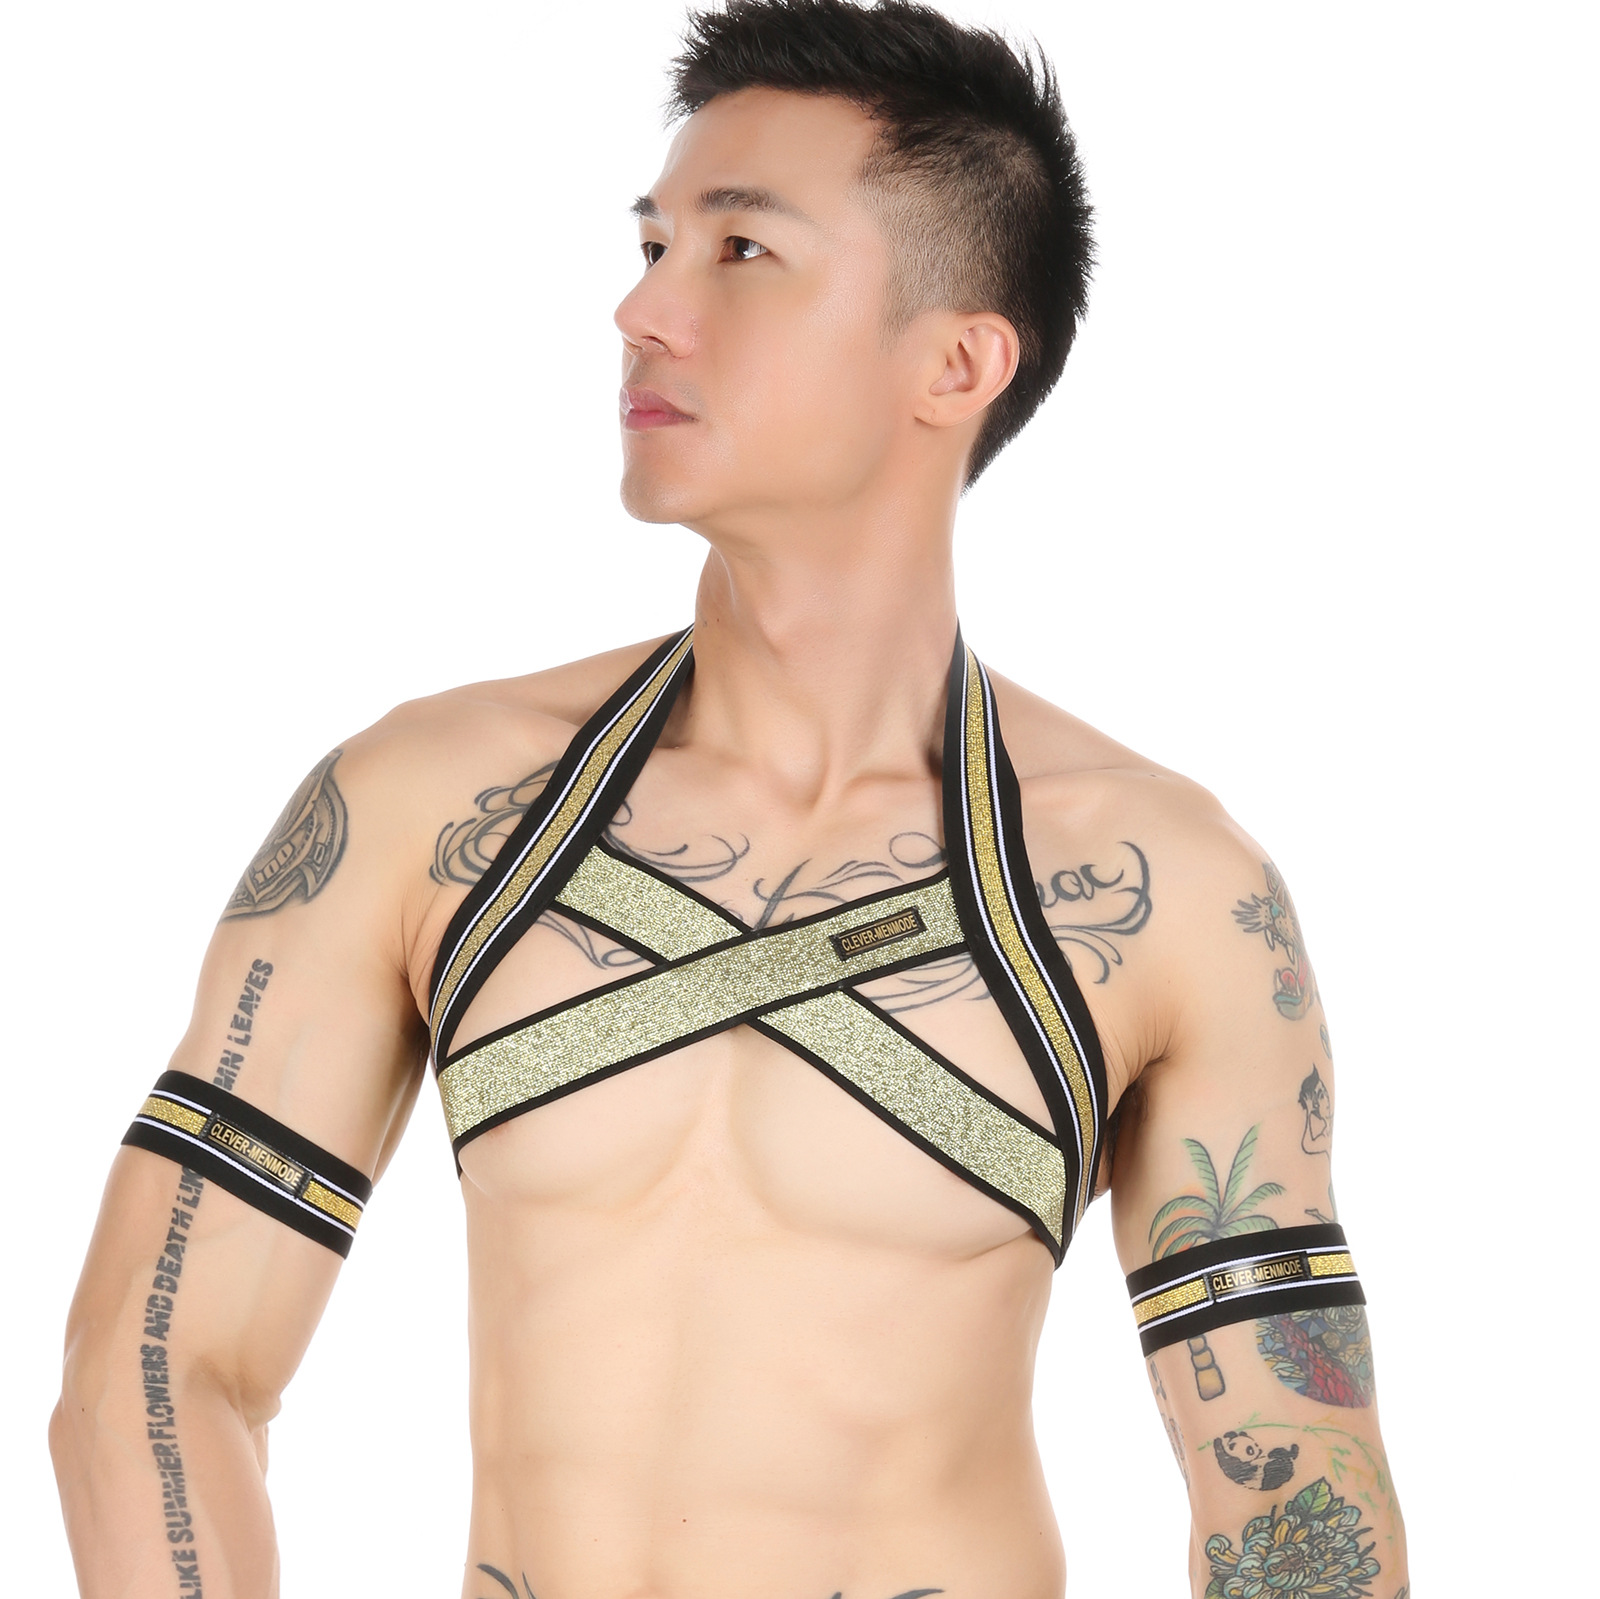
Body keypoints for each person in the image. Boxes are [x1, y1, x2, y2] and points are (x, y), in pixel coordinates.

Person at [50, 2, 1409, 1596]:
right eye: (652, 244)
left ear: (958, 361)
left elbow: (1293, 1507)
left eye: (742, 251)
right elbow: (156, 1367)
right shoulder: (428, 806)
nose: (643, 309)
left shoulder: (1168, 893)